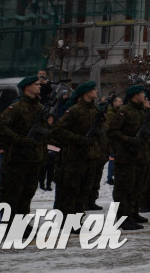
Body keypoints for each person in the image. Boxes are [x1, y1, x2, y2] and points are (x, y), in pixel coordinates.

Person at [0, 75, 48, 219]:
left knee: (27, 193)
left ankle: (21, 223)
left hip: (34, 158)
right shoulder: (16, 106)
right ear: (27, 87)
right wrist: (20, 140)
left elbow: (43, 134)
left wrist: (42, 155)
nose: (39, 86)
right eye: (36, 84)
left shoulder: (39, 107)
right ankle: (9, 224)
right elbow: (2, 126)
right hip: (17, 158)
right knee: (12, 194)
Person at [49, 81, 101, 218]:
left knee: (83, 191)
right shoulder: (74, 110)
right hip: (74, 157)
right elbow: (58, 130)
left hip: (89, 157)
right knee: (71, 191)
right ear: (85, 93)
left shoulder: (95, 111)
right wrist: (79, 139)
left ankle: (77, 220)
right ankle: (68, 221)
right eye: (92, 89)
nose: (96, 91)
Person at [107, 85, 150, 230]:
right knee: (124, 189)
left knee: (137, 187)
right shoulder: (124, 111)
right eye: (141, 93)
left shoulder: (143, 111)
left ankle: (132, 213)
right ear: (134, 96)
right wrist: (128, 140)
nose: (143, 95)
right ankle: (122, 218)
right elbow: (112, 131)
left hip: (140, 155)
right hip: (126, 156)